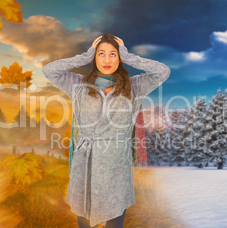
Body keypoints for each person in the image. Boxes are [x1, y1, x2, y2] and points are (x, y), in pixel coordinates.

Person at [42, 33, 170, 228]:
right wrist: (85, 56)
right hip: (85, 167)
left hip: (116, 169)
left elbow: (162, 71)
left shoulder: (134, 86)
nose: (107, 59)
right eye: (101, 53)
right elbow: (49, 70)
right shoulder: (79, 84)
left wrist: (130, 56)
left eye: (113, 54)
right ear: (95, 57)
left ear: (120, 57)